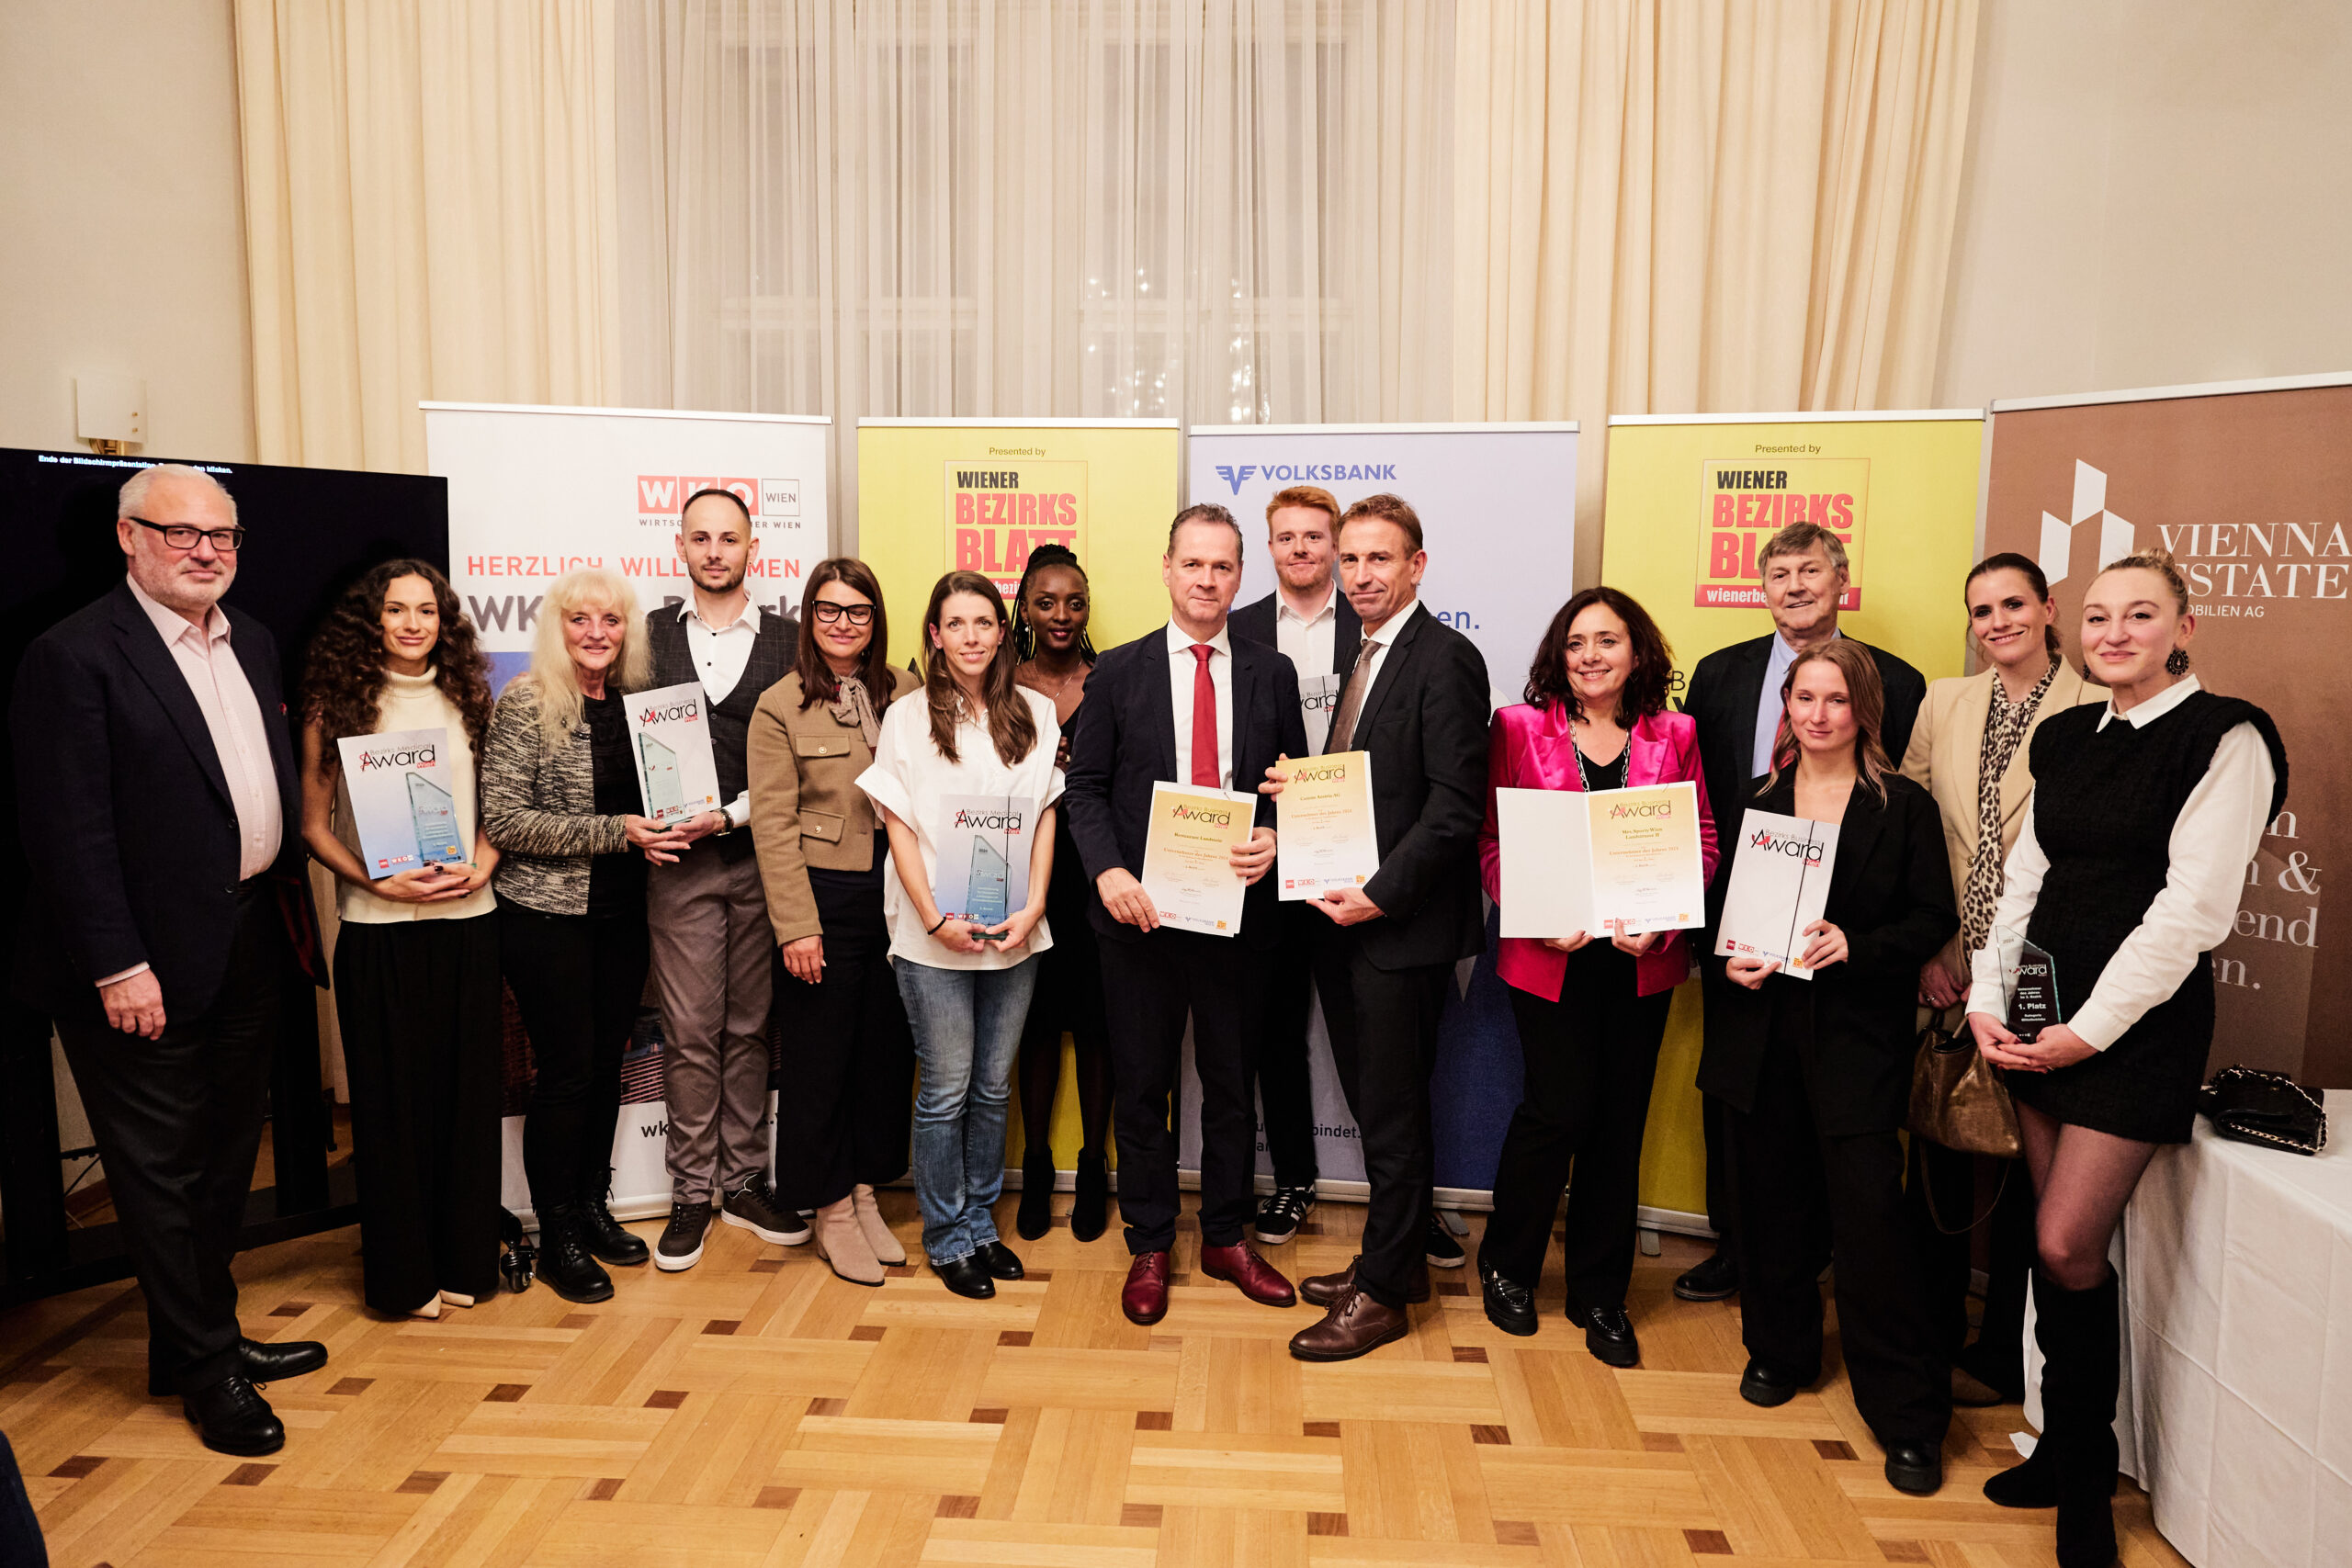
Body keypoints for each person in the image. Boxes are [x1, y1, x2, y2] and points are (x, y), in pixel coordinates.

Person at [1967, 548, 2285, 1568]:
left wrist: (2089, 1031)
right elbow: (2027, 881)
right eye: (2098, 616)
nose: (2113, 633)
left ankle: (2087, 1482)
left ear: (2182, 627)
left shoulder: (2223, 737)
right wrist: (1988, 1000)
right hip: (2035, 1007)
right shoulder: (2065, 736)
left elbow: (2193, 910)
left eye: (2139, 615)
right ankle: (2063, 1452)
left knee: (2064, 1246)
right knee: (2056, 1251)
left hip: (2130, 1030)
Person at [15, 464, 327, 1457]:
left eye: (222, 536)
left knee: (228, 1158)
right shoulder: (74, 656)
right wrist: (116, 966)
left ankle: (200, 1339)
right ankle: (208, 1373)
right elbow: (69, 834)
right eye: (181, 532)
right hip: (137, 965)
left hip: (243, 941)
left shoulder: (256, 642)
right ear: (128, 537)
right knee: (159, 1172)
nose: (205, 551)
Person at [1700, 639, 1956, 1496]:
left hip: (1855, 1036)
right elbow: (1714, 916)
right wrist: (1723, 958)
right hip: (1759, 1031)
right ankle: (1780, 1350)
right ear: (1786, 709)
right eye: (1803, 698)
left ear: (1863, 712)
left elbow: (1932, 918)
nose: (1817, 714)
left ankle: (1908, 1413)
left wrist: (1860, 944)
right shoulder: (1756, 800)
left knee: (1871, 1224)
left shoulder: (1904, 807)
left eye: (1835, 700)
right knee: (1767, 1203)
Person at [1064, 505, 1306, 1326]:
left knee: (1234, 1084)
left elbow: (1293, 786)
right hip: (1139, 920)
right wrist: (1107, 872)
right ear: (1166, 569)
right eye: (1194, 565)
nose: (1208, 580)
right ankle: (1151, 1240)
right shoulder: (1120, 673)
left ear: (1242, 576)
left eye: (1224, 567)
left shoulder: (1271, 675)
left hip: (1238, 918)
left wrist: (1275, 836)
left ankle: (1229, 1235)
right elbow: (1085, 790)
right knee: (1142, 1086)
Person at [1679, 520, 1926, 1303]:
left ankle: (1828, 1257)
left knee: (1848, 1136)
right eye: (1779, 573)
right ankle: (1740, 1248)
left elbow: (1904, 810)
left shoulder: (1901, 679)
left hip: (1852, 934)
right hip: (1739, 922)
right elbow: (1694, 801)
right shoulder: (1718, 674)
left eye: (1809, 572)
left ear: (1839, 582)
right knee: (1741, 1102)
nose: (1794, 586)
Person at [1476, 588, 1718, 1365]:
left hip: (1638, 962)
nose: (1590, 656)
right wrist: (1531, 910)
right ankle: (1509, 1269)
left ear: (1636, 652)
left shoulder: (1674, 733)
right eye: (1576, 642)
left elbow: (1703, 838)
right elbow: (1491, 841)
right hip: (1549, 959)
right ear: (1559, 653)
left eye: (1607, 641)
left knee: (1619, 1122)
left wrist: (1668, 920)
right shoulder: (1517, 727)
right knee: (1555, 1112)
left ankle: (1600, 1292)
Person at [1283, 494, 1490, 1363]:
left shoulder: (1446, 658)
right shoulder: (1364, 653)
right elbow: (1370, 789)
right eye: (1351, 560)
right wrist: (1302, 792)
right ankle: (1392, 1263)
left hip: (1397, 928)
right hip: (1348, 923)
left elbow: (1453, 809)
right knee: (1377, 1107)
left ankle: (1381, 1299)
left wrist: (1377, 892)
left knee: (1396, 1116)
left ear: (1417, 565)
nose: (1361, 575)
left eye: (1380, 560)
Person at [1900, 552, 2098, 1405]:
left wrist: (2009, 971)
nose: (1997, 622)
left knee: (2026, 1166)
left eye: (2014, 604)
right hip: (1946, 961)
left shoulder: (2099, 706)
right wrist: (1928, 950)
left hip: (2041, 968)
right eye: (1981, 610)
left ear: (2049, 608)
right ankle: (1930, 1329)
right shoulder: (1945, 700)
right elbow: (1905, 826)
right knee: (1941, 1152)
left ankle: (2004, 1354)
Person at [298, 560, 501, 1320]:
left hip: (469, 928)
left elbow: (499, 809)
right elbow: (313, 826)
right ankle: (403, 1277)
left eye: (426, 610)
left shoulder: (472, 697)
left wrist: (482, 866)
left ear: (444, 620)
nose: (413, 623)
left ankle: (465, 1264)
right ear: (371, 619)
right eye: (396, 610)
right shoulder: (336, 701)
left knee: (465, 1106)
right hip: (378, 931)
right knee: (391, 1110)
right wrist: (376, 882)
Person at [481, 569, 689, 1303]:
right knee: (567, 1071)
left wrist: (664, 831)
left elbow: (654, 803)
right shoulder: (527, 703)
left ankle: (594, 1204)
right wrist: (618, 832)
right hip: (545, 919)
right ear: (555, 627)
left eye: (611, 619)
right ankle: (557, 1231)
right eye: (580, 619)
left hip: (623, 914)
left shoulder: (636, 705)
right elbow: (504, 820)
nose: (597, 632)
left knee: (605, 1065)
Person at [857, 572, 1061, 1300]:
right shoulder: (907, 717)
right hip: (931, 936)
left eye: (985, 621)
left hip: (1013, 931)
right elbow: (898, 826)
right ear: (935, 634)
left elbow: (1044, 815)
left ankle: (979, 1223)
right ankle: (946, 1237)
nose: (972, 635)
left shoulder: (1036, 711)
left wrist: (1035, 905)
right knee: (944, 1089)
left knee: (991, 1085)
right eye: (957, 623)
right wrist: (935, 919)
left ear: (1002, 632)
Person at [639, 490, 807, 1272]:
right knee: (691, 1030)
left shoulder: (792, 641)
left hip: (760, 859)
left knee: (749, 1028)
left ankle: (743, 1180)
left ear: (753, 548)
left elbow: (799, 762)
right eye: (700, 538)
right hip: (676, 866)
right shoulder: (644, 639)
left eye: (728, 538)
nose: (714, 551)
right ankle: (689, 1191)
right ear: (680, 547)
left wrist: (731, 816)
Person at [749, 558, 920, 1284]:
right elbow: (772, 824)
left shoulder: (906, 692)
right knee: (821, 1059)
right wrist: (796, 927)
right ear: (807, 617)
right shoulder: (779, 704)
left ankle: (862, 1188)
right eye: (828, 609)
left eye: (857, 611)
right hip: (825, 896)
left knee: (882, 1055)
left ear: (875, 620)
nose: (843, 622)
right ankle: (827, 1208)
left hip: (901, 894)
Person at [1229, 484, 1362, 1246]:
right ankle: (1292, 1181)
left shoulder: (1374, 627)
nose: (1303, 549)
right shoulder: (1240, 628)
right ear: (1269, 547)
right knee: (1275, 1030)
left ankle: (1405, 1195)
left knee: (1369, 1036)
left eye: (1318, 537)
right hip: (1265, 859)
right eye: (1288, 537)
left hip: (1354, 862)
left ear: (1337, 546)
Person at [1009, 544, 1114, 1243]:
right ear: (1024, 606)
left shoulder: (1111, 680)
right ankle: (1039, 1164)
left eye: (1074, 601)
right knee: (1038, 1024)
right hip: (1025, 875)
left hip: (1098, 873)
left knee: (1101, 1025)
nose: (1062, 615)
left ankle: (1094, 1167)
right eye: (1046, 601)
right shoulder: (998, 680)